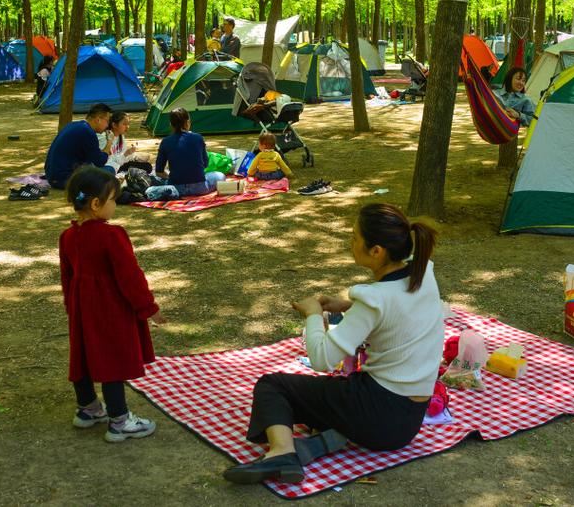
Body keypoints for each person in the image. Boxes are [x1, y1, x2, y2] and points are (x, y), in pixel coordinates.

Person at [222, 204, 443, 485]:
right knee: (322, 398)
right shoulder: (423, 275)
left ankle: (282, 454)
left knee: (273, 386)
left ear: (376, 250)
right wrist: (348, 306)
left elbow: (322, 359)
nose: (350, 243)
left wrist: (313, 314)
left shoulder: (374, 298)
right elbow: (399, 310)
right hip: (408, 423)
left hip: (377, 412)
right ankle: (330, 439)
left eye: (354, 237)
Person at [59, 166, 166, 443]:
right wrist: (148, 307)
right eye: (113, 200)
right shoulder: (112, 236)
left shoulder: (68, 236)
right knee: (112, 360)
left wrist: (72, 309)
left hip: (82, 308)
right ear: (96, 204)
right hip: (110, 309)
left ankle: (88, 409)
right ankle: (120, 421)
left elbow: (67, 277)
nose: (115, 206)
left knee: (83, 355)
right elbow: (130, 276)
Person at [144, 108, 225, 200]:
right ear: (188, 122)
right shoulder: (198, 138)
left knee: (153, 175)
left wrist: (171, 176)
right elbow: (205, 164)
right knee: (220, 175)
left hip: (176, 188)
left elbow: (159, 171)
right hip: (200, 188)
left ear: (171, 125)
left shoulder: (165, 141)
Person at [44, 103, 120, 189]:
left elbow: (93, 157)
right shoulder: (88, 132)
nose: (107, 125)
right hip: (63, 180)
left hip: (51, 176)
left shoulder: (74, 125)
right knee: (109, 170)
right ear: (98, 120)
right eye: (107, 121)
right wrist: (110, 141)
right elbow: (100, 162)